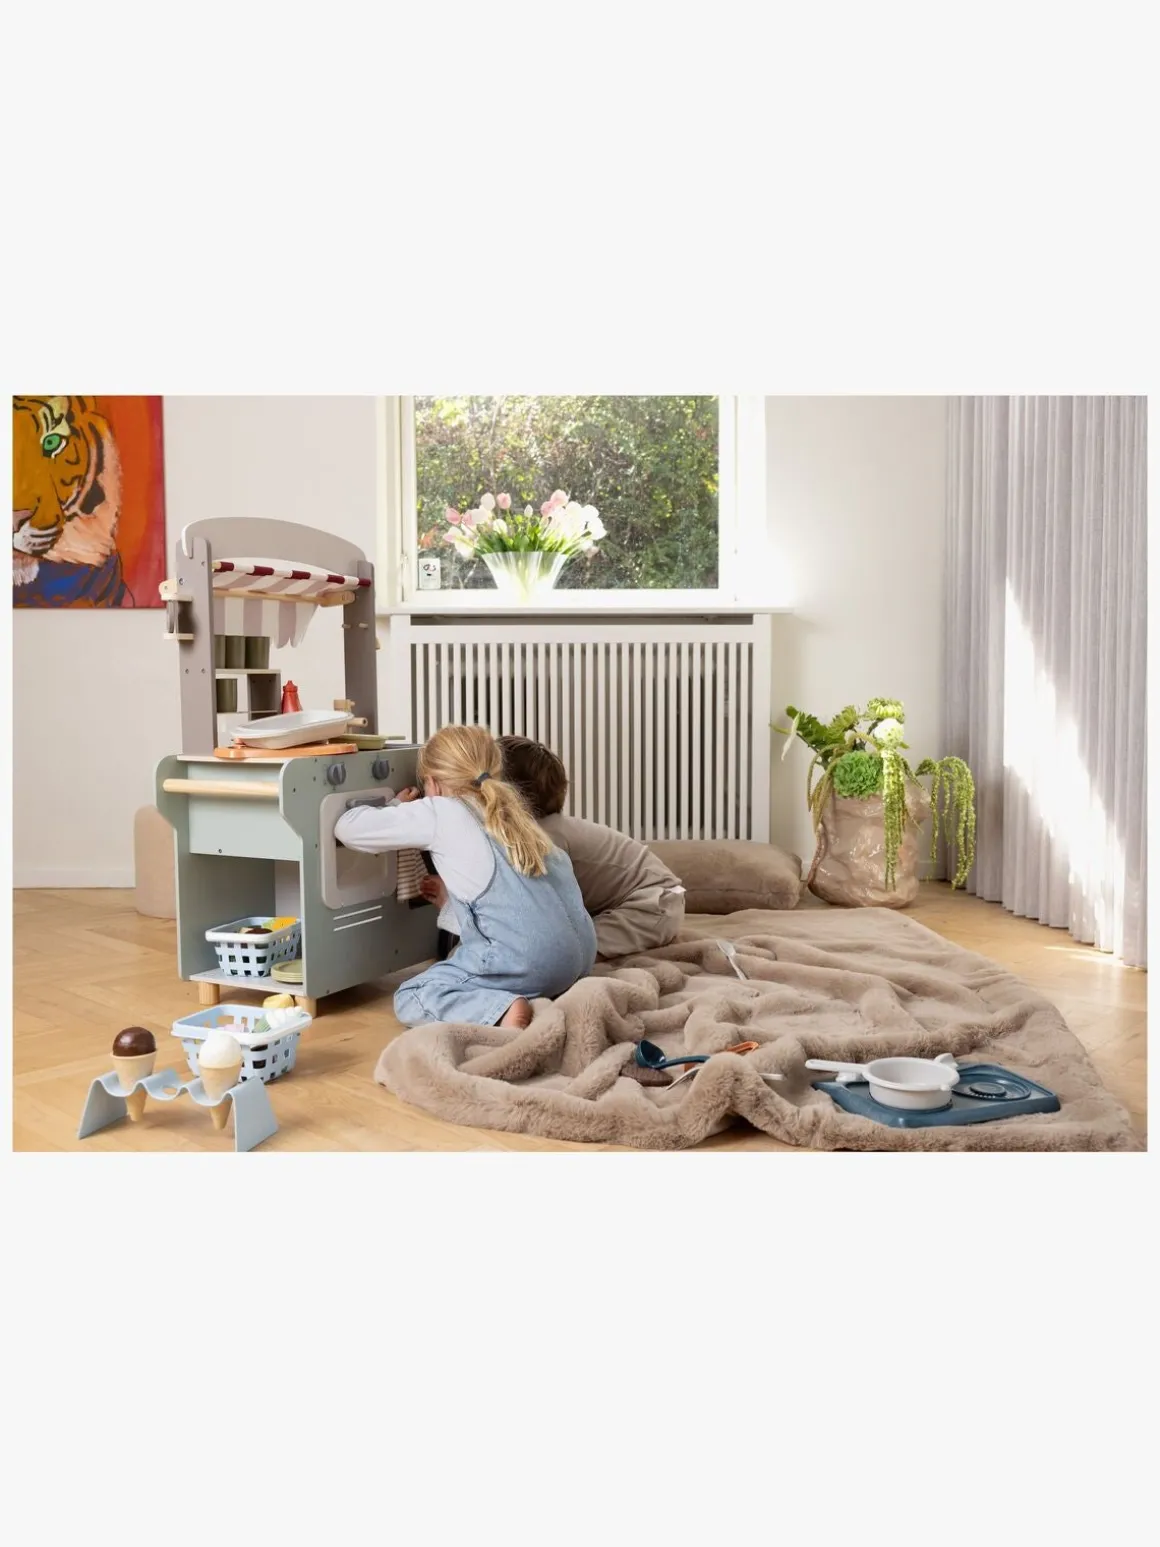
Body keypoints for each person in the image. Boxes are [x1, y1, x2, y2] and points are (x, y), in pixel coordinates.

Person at [334, 725, 596, 1029]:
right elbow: (514, 904)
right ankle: (531, 992)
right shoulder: (513, 814)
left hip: (530, 963)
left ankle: (503, 1009)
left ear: (433, 783)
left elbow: (347, 828)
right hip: (578, 960)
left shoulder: (441, 811)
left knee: (413, 995)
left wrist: (396, 806)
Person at [424, 735, 686, 959]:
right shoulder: (535, 832)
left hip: (652, 904)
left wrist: (451, 904)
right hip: (640, 903)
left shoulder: (541, 839)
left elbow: (516, 914)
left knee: (567, 954)